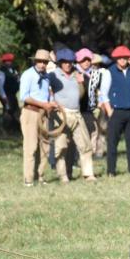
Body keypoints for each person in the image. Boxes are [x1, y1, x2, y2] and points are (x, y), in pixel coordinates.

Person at [49, 48, 96, 182]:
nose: (68, 64)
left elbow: (84, 94)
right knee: (61, 146)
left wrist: (82, 82)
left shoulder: (77, 74)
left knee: (85, 144)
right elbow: (47, 90)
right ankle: (63, 175)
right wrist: (52, 102)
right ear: (60, 62)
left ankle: (88, 174)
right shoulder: (53, 75)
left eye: (70, 62)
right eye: (65, 62)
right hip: (61, 114)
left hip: (76, 113)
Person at [100, 45, 130, 176]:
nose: (123, 60)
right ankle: (111, 171)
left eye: (125, 57)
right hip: (116, 111)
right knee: (112, 142)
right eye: (120, 58)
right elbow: (104, 93)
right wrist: (109, 111)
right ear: (116, 59)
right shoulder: (109, 72)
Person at [19, 49, 57, 186]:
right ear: (35, 61)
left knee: (45, 146)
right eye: (40, 61)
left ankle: (40, 175)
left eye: (45, 62)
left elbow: (48, 93)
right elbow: (24, 97)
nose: (42, 64)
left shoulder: (47, 76)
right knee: (31, 146)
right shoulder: (28, 75)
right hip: (31, 113)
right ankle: (28, 179)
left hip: (44, 114)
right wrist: (43, 104)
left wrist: (51, 102)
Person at [0, 52, 20, 130]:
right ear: (4, 62)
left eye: (10, 61)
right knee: (8, 111)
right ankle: (7, 129)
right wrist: (4, 97)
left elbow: (18, 80)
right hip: (6, 95)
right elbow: (0, 86)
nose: (9, 62)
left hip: (13, 95)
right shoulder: (1, 72)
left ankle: (15, 128)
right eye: (7, 61)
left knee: (15, 111)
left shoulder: (13, 70)